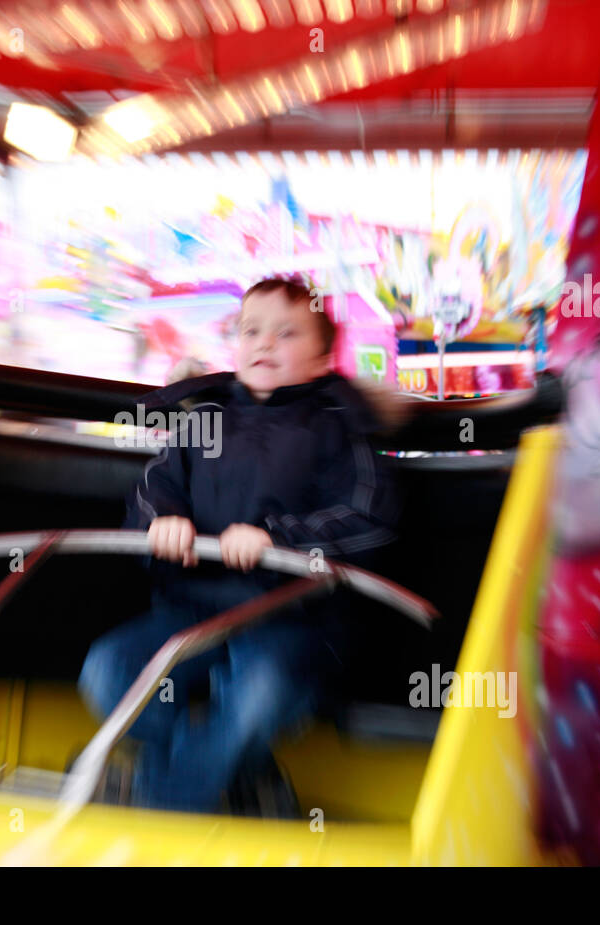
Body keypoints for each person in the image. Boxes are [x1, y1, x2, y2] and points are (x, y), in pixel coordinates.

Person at [78, 277, 399, 813]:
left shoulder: (343, 431)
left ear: (323, 359)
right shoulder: (203, 419)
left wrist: (278, 539)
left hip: (296, 621)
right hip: (191, 611)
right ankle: (232, 774)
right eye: (251, 331)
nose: (264, 344)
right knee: (108, 671)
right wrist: (164, 521)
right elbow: (155, 490)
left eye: (286, 333)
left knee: (259, 695)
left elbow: (367, 521)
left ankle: (166, 799)